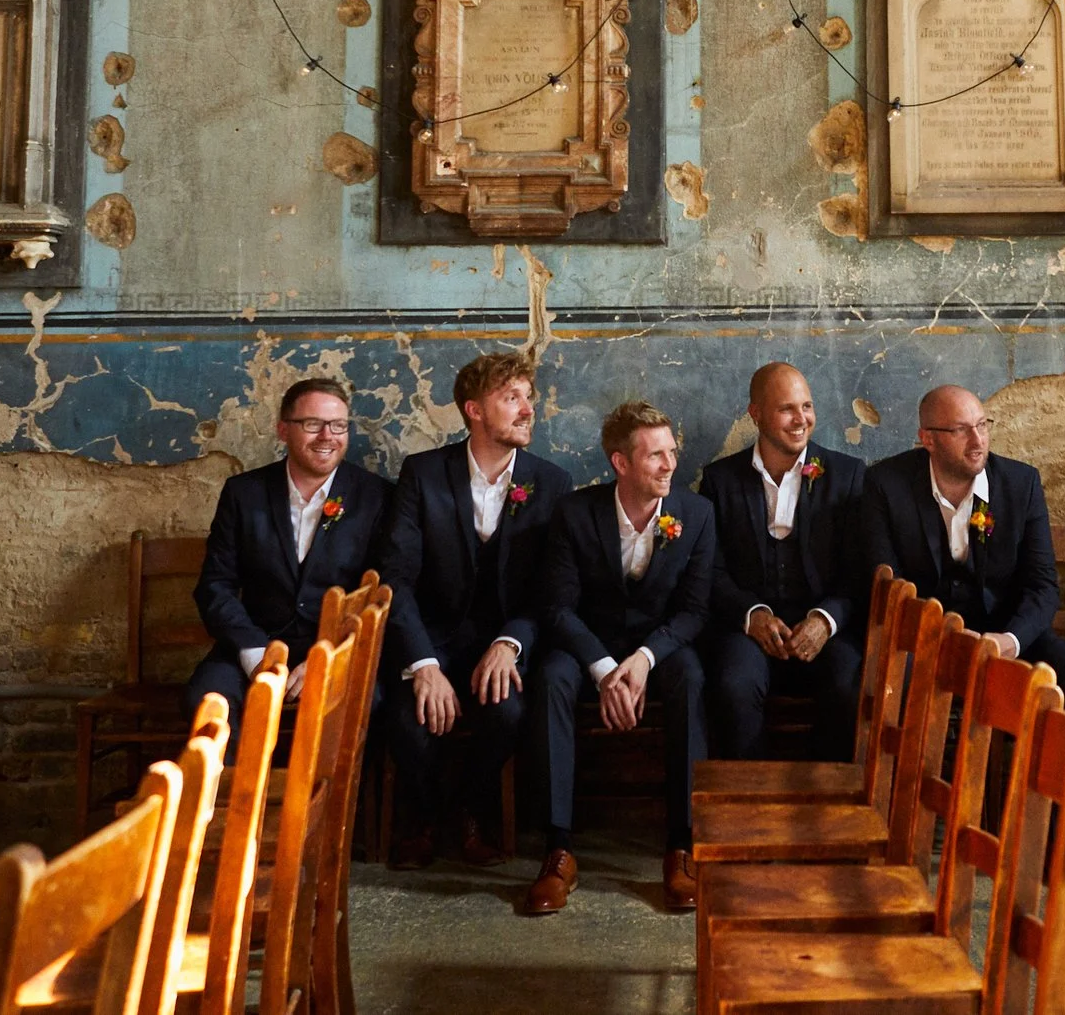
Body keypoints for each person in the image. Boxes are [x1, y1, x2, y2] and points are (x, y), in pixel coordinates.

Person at [375, 351, 571, 868]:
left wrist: (511, 644)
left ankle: (470, 813)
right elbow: (396, 577)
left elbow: (549, 588)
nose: (528, 409)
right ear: (474, 410)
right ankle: (422, 817)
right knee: (404, 718)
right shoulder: (423, 474)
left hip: (502, 641)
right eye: (512, 398)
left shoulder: (550, 482)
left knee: (507, 713)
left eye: (529, 397)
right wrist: (422, 664)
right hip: (432, 639)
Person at [526, 401, 716, 917]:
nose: (669, 465)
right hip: (588, 648)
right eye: (655, 456)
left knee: (692, 677)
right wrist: (607, 669)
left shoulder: (695, 514)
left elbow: (696, 611)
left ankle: (682, 846)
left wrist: (644, 660)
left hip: (658, 648)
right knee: (549, 679)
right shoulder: (575, 513)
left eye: (671, 453)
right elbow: (557, 607)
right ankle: (558, 849)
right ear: (620, 463)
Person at [860, 383, 1065, 710]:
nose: (978, 441)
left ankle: (1047, 762)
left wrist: (1011, 640)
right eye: (961, 430)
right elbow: (887, 584)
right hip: (922, 637)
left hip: (1001, 630)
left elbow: (1042, 585)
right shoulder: (885, 484)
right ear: (928, 439)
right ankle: (907, 762)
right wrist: (933, 638)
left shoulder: (1021, 484)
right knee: (887, 676)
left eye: (982, 425)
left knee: (1062, 663)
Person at [187, 378, 391, 724]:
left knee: (362, 707)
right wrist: (256, 655)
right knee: (205, 704)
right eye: (313, 424)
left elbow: (380, 595)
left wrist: (328, 655)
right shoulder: (243, 493)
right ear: (284, 430)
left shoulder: (377, 497)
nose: (328, 436)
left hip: (337, 649)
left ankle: (317, 782)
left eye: (339, 425)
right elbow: (214, 586)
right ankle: (238, 780)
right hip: (253, 643)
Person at [696, 363, 867, 763]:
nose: (801, 419)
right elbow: (710, 569)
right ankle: (751, 804)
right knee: (732, 685)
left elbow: (860, 572)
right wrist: (750, 615)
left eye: (807, 406)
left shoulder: (848, 476)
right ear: (755, 413)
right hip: (750, 630)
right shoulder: (720, 480)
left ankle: (824, 802)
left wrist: (825, 620)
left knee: (850, 684)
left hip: (827, 629)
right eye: (787, 409)